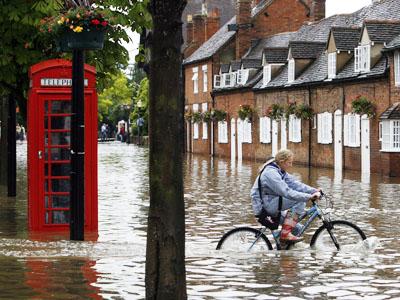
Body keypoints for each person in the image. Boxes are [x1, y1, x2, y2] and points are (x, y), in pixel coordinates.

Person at [250, 149, 321, 243]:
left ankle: (282, 251)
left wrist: (314, 190)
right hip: (264, 207)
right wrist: (309, 197)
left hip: (272, 203)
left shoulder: (279, 170)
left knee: (298, 229)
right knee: (299, 200)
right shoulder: (271, 173)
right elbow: (286, 192)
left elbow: (296, 184)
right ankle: (285, 234)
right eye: (289, 163)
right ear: (282, 162)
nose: (291, 165)